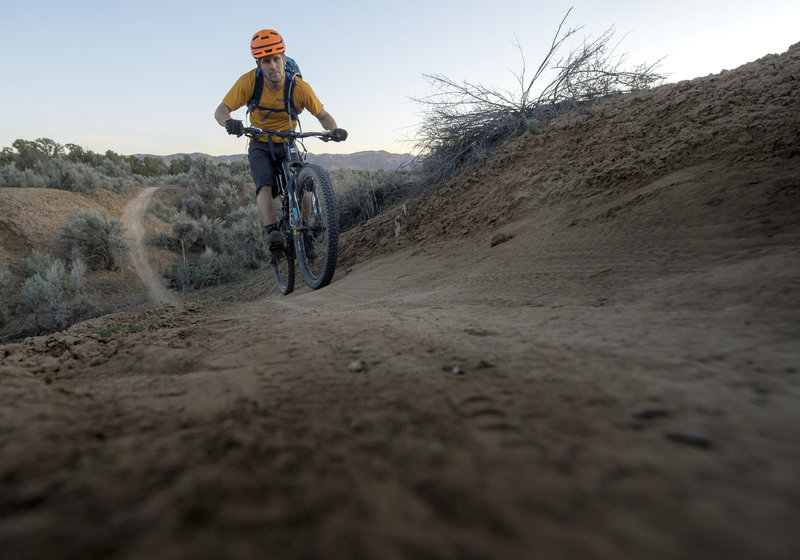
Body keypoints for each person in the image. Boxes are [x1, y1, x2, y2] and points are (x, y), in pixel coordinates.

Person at [214, 29, 346, 260]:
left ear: (284, 59)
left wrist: (334, 130)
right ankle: (273, 234)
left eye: (276, 59)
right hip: (260, 141)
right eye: (266, 61)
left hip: (288, 140)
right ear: (259, 64)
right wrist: (229, 122)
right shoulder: (248, 82)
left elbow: (322, 115)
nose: (273, 65)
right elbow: (220, 110)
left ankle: (304, 233)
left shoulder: (299, 87)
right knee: (264, 186)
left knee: (303, 184)